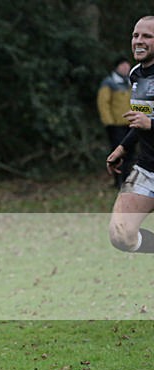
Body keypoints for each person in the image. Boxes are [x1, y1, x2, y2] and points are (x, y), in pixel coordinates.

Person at [107, 16, 154, 256]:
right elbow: (141, 120)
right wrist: (123, 148)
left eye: (147, 36)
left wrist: (151, 123)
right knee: (121, 234)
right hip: (148, 169)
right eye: (136, 35)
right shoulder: (136, 75)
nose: (139, 41)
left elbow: (148, 121)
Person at [97, 57, 133, 188]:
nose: (125, 68)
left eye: (127, 65)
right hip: (116, 125)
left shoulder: (131, 81)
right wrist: (109, 122)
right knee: (117, 153)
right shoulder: (109, 82)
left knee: (130, 154)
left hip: (131, 124)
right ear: (117, 67)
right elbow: (103, 103)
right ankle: (117, 181)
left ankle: (126, 179)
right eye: (122, 65)